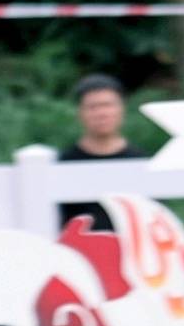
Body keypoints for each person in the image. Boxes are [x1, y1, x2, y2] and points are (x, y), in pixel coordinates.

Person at [56, 73, 152, 233]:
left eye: (108, 105)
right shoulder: (64, 163)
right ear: (79, 112)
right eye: (93, 107)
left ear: (121, 109)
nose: (102, 113)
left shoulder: (140, 161)